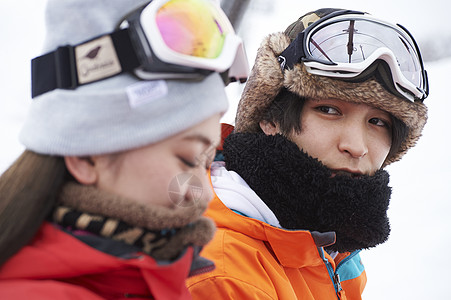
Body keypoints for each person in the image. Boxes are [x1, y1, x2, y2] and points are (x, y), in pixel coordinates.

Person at [0, 0, 248, 299]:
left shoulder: (161, 278)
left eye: (208, 162)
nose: (205, 194)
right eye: (187, 159)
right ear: (86, 157)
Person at [187, 8, 428, 300]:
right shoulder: (224, 275)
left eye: (378, 122)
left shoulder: (330, 244)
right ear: (270, 118)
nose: (357, 146)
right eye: (329, 110)